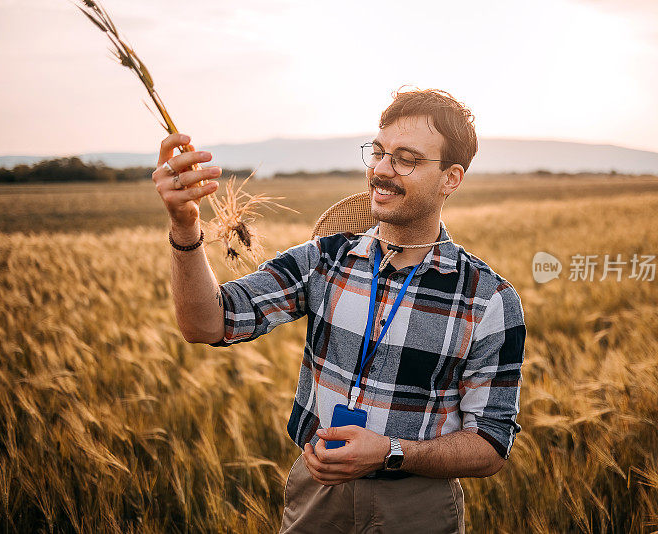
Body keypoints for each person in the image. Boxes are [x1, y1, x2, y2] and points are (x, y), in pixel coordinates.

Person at [152, 88, 526, 533]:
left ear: (451, 178)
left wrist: (390, 450)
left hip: (417, 507)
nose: (382, 170)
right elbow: (207, 323)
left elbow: (490, 443)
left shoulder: (488, 299)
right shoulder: (323, 260)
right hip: (317, 495)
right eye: (379, 152)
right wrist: (185, 225)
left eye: (406, 158)